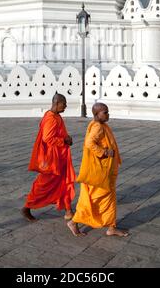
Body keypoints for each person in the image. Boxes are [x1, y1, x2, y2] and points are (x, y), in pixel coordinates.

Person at [67, 103, 129, 237]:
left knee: (107, 198)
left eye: (107, 112)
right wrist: (104, 152)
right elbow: (90, 143)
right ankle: (74, 221)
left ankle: (111, 227)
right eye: (105, 112)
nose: (108, 114)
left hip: (101, 170)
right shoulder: (98, 127)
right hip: (100, 172)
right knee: (95, 199)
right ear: (97, 114)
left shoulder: (100, 125)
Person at [21, 94, 76, 222]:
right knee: (43, 184)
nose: (66, 106)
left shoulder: (56, 116)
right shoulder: (51, 118)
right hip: (52, 159)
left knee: (63, 181)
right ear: (57, 103)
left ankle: (68, 209)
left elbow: (59, 134)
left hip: (60, 156)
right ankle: (27, 206)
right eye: (64, 104)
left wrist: (67, 139)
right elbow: (48, 138)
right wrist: (64, 140)